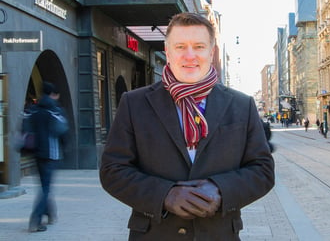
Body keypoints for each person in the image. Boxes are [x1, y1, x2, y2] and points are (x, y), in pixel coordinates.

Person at [100, 12, 275, 240]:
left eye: (199, 46)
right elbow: (112, 171)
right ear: (168, 50)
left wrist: (221, 190)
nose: (190, 55)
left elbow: (263, 170)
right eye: (180, 46)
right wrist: (164, 195)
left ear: (211, 52)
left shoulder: (242, 105)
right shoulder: (134, 103)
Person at [28, 82, 69, 232]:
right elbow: (63, 131)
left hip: (35, 153)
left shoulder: (33, 109)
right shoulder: (55, 110)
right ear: (54, 94)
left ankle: (50, 213)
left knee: (44, 186)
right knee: (46, 187)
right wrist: (64, 148)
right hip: (51, 154)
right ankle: (35, 220)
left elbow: (25, 128)